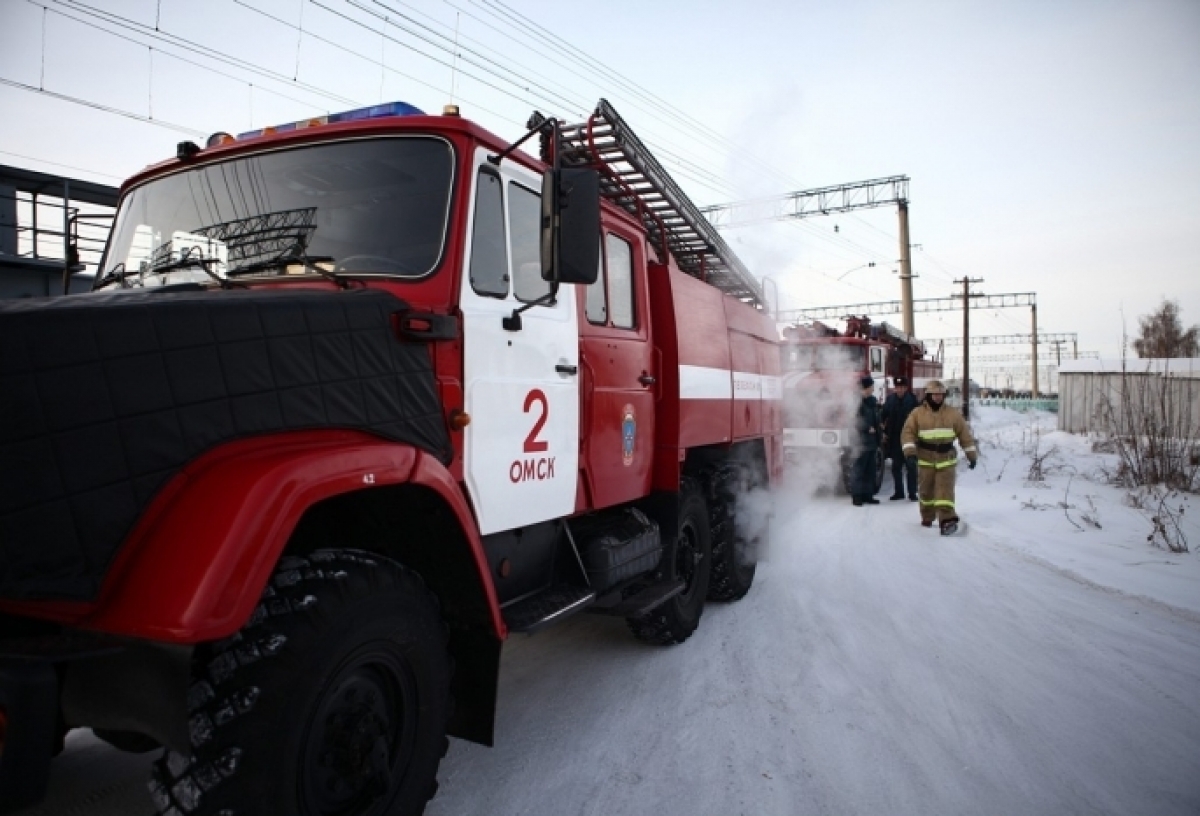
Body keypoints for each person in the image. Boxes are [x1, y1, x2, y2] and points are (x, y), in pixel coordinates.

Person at [899, 379, 978, 534]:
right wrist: (910, 453)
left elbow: (965, 436)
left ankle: (947, 520)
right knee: (926, 492)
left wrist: (971, 455)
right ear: (928, 396)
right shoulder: (917, 414)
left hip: (946, 459)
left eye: (940, 395)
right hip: (925, 459)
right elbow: (907, 433)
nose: (937, 398)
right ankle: (927, 516)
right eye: (934, 395)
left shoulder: (953, 414)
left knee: (945, 492)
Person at [881, 376, 919, 501]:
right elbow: (882, 415)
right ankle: (899, 492)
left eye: (902, 387)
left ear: (906, 388)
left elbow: (919, 419)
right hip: (895, 438)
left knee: (911, 466)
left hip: (909, 438)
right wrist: (882, 431)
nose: (899, 390)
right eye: (897, 388)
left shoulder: (913, 401)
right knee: (896, 467)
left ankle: (912, 492)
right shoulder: (890, 400)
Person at [851, 376, 881, 506]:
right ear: (865, 388)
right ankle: (857, 496)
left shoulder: (872, 401)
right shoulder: (856, 402)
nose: (873, 389)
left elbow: (876, 418)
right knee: (859, 470)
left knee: (870, 470)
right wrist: (866, 428)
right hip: (861, 442)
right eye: (871, 386)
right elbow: (853, 420)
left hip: (872, 441)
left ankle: (868, 495)